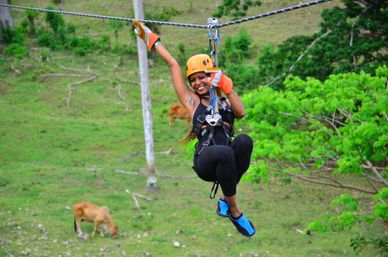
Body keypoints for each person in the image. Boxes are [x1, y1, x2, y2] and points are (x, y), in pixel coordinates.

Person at [133, 20, 255, 237]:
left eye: (203, 77)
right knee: (225, 152)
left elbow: (241, 112)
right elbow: (172, 64)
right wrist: (149, 38)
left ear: (212, 76)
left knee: (244, 141)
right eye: (193, 80)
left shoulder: (225, 102)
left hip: (227, 162)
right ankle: (234, 211)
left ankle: (226, 201)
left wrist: (227, 88)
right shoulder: (192, 102)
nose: (198, 83)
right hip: (206, 161)